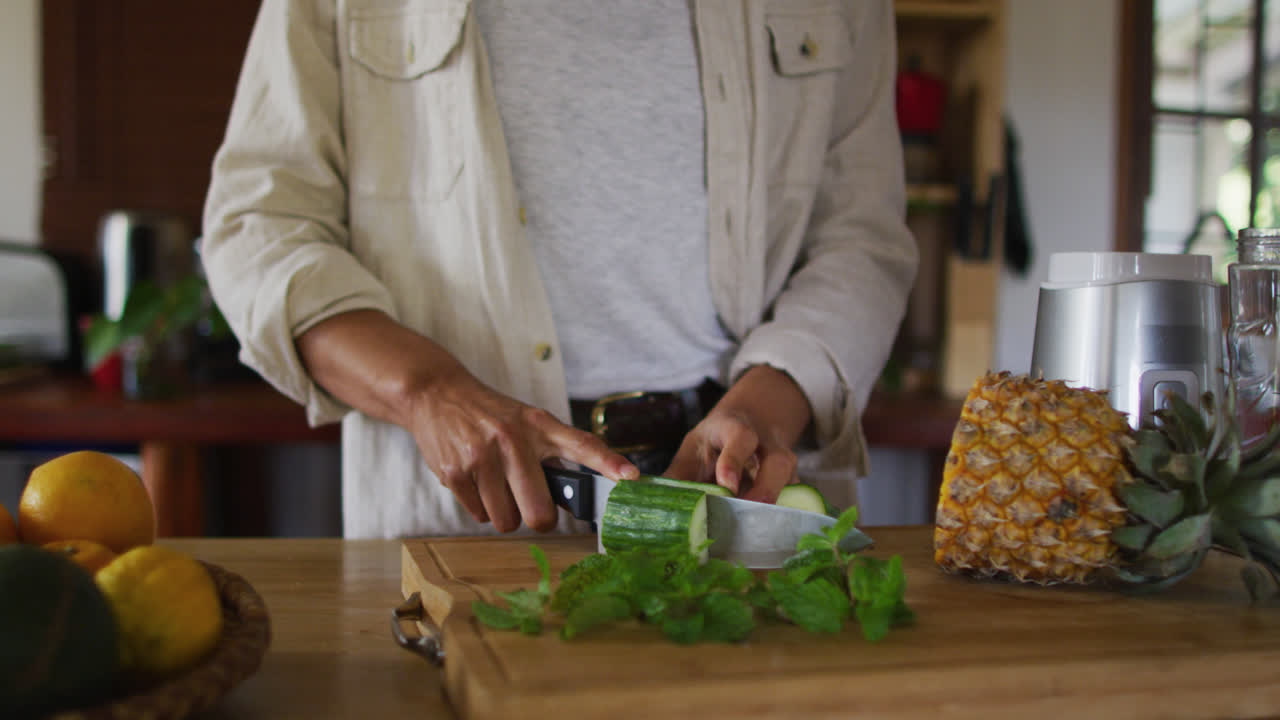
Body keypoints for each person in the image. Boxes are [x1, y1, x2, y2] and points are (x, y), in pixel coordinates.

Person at [201, 0, 918, 539]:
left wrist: (769, 406)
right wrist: (427, 392)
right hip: (469, 517)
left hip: (742, 507)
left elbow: (862, 235)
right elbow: (260, 227)